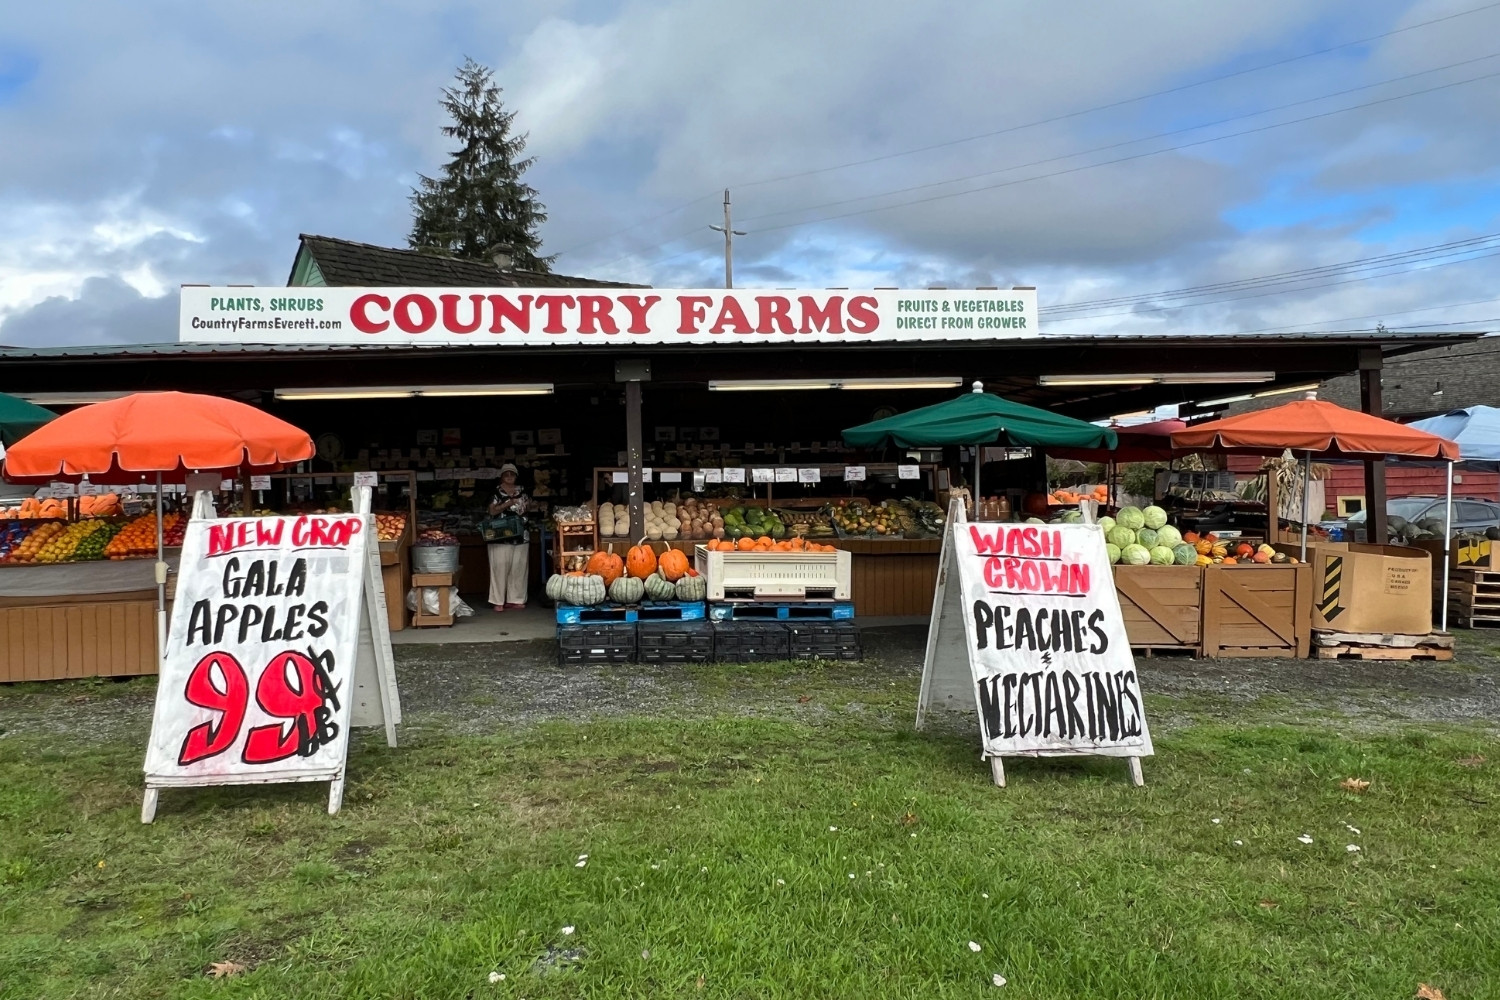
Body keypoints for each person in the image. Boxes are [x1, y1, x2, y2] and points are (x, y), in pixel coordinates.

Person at [486, 463, 530, 611]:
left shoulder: (523, 491)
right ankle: (498, 600)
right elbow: (492, 511)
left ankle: (515, 599)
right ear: (502, 476)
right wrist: (509, 503)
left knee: (519, 567)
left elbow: (528, 507)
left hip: (521, 534)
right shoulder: (496, 492)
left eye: (512, 474)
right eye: (506, 474)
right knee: (499, 567)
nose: (509, 477)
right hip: (500, 535)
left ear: (516, 476)